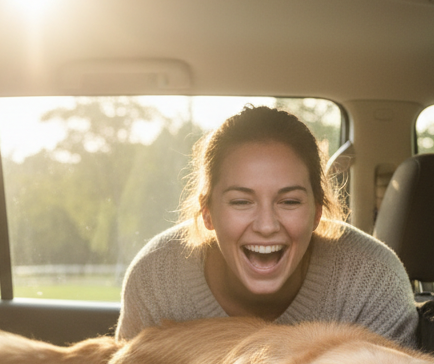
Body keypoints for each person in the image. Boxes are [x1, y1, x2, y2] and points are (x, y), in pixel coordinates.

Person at [116, 105, 417, 346]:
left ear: (317, 212)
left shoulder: (374, 282)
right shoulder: (156, 278)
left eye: (289, 202)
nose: (266, 225)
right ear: (207, 212)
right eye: (241, 202)